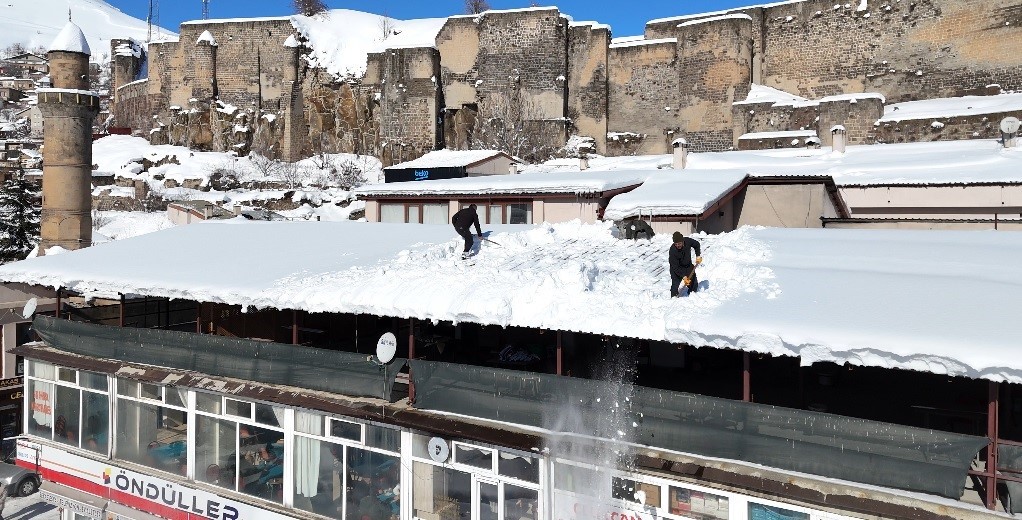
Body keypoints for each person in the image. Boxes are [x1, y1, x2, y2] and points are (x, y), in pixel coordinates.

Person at [668, 231, 702, 297]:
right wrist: (683, 276)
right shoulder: (672, 251)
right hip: (676, 269)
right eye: (676, 244)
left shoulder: (687, 241)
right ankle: (674, 298)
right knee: (675, 284)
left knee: (694, 284)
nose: (678, 245)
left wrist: (698, 255)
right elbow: (675, 266)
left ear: (683, 241)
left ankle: (692, 296)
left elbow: (697, 244)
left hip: (688, 266)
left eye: (679, 243)